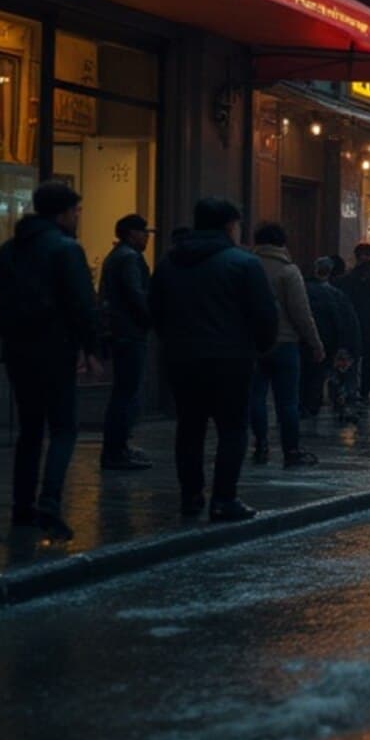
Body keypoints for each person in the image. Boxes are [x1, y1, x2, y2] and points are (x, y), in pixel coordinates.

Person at [151, 198, 279, 521]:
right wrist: (261, 347)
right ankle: (224, 498)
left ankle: (190, 495)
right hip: (230, 359)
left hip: (182, 359)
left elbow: (155, 310)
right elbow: (265, 315)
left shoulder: (169, 262)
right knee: (232, 428)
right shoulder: (243, 263)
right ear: (229, 226)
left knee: (190, 428)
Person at [0, 180, 100, 540]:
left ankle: (22, 507)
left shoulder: (10, 249)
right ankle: (49, 500)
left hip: (19, 352)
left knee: (30, 430)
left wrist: (15, 334)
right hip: (56, 350)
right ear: (64, 213)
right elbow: (82, 305)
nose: (78, 217)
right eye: (77, 211)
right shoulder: (66, 249)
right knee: (64, 427)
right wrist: (93, 348)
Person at [249, 223, 324, 468]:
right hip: (285, 343)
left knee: (256, 398)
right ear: (282, 243)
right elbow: (301, 312)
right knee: (288, 402)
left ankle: (260, 446)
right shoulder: (288, 271)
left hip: (253, 345)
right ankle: (291, 451)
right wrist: (315, 343)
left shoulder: (246, 266)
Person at [98, 212, 155, 470]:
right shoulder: (129, 258)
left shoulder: (117, 256)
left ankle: (118, 447)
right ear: (133, 233)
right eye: (145, 232)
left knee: (124, 391)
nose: (147, 238)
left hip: (122, 331)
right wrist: (150, 318)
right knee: (126, 392)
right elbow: (136, 294)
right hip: (130, 332)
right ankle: (116, 450)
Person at [304, 257, 361, 422]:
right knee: (336, 375)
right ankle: (340, 404)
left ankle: (309, 406)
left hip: (310, 340)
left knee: (314, 375)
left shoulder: (306, 289)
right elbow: (343, 321)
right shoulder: (335, 293)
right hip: (332, 340)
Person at [334, 241, 370, 408]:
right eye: (367, 255)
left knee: (362, 360)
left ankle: (358, 391)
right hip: (359, 326)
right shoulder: (353, 279)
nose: (369, 258)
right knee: (358, 359)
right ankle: (356, 391)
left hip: (365, 326)